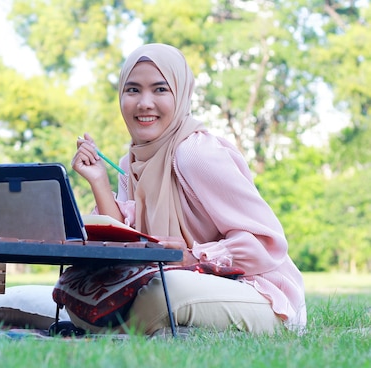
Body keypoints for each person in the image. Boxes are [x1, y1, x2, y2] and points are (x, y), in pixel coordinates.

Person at [55, 43, 306, 336]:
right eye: (132, 90)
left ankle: (127, 330)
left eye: (160, 90)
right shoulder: (132, 160)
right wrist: (98, 181)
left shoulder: (195, 153)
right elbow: (125, 240)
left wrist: (192, 257)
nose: (144, 103)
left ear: (182, 94)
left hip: (260, 294)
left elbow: (266, 243)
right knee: (81, 287)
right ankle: (155, 332)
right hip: (182, 284)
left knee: (162, 293)